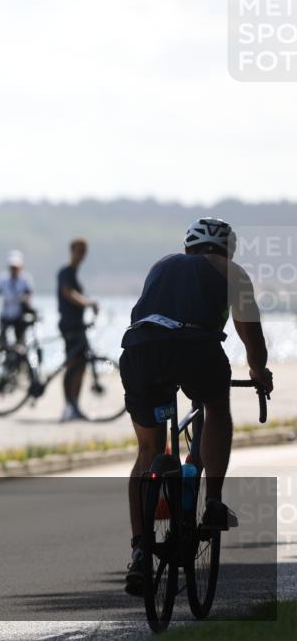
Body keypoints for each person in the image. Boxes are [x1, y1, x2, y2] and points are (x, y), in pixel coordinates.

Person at [120, 217, 272, 597]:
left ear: (188, 247)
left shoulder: (161, 266)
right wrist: (258, 372)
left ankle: (140, 550)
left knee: (147, 450)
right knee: (216, 407)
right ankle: (214, 502)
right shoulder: (232, 272)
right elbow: (251, 335)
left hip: (139, 351)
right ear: (228, 249)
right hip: (195, 350)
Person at [57, 238, 99, 421]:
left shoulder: (75, 274)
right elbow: (68, 293)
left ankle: (74, 405)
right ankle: (68, 406)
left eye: (84, 251)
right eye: (78, 250)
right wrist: (88, 302)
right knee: (72, 365)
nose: (81, 255)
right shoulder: (65, 272)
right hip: (70, 326)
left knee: (81, 366)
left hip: (78, 325)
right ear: (71, 251)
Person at [0, 250, 35, 348]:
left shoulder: (25, 279)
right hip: (6, 313)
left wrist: (25, 299)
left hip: (19, 315)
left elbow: (28, 293)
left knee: (20, 338)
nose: (13, 270)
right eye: (12, 267)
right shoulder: (2, 280)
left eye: (16, 268)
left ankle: (20, 349)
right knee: (2, 337)